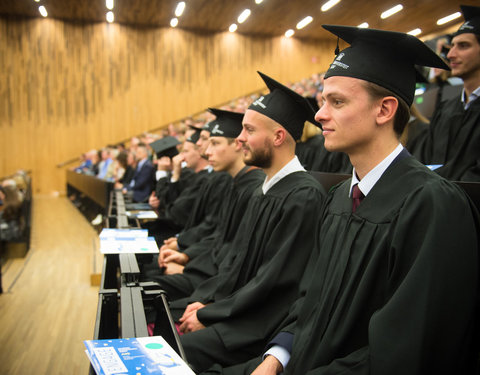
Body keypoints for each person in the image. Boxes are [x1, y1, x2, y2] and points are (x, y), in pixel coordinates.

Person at [217, 25, 478, 375]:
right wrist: (276, 358)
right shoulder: (339, 198)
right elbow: (308, 299)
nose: (320, 114)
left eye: (336, 101)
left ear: (384, 110)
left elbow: (406, 350)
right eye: (323, 100)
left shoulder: (431, 205)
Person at [171, 72, 326, 373]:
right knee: (168, 316)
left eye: (248, 130)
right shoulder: (262, 191)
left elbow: (273, 282)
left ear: (278, 137)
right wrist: (206, 302)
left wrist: (212, 313)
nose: (239, 138)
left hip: (257, 327)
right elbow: (235, 264)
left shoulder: (303, 196)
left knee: (173, 346)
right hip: (237, 312)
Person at [149, 108, 264, 300]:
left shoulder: (250, 188)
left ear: (237, 144)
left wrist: (188, 263)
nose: (206, 150)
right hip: (207, 268)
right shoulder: (235, 182)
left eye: (214, 142)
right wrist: (186, 255)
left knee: (146, 284)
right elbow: (219, 235)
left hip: (215, 281)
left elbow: (233, 252)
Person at [412, 5, 480, 181]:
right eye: (452, 47)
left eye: (463, 46)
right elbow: (423, 162)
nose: (450, 54)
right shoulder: (445, 110)